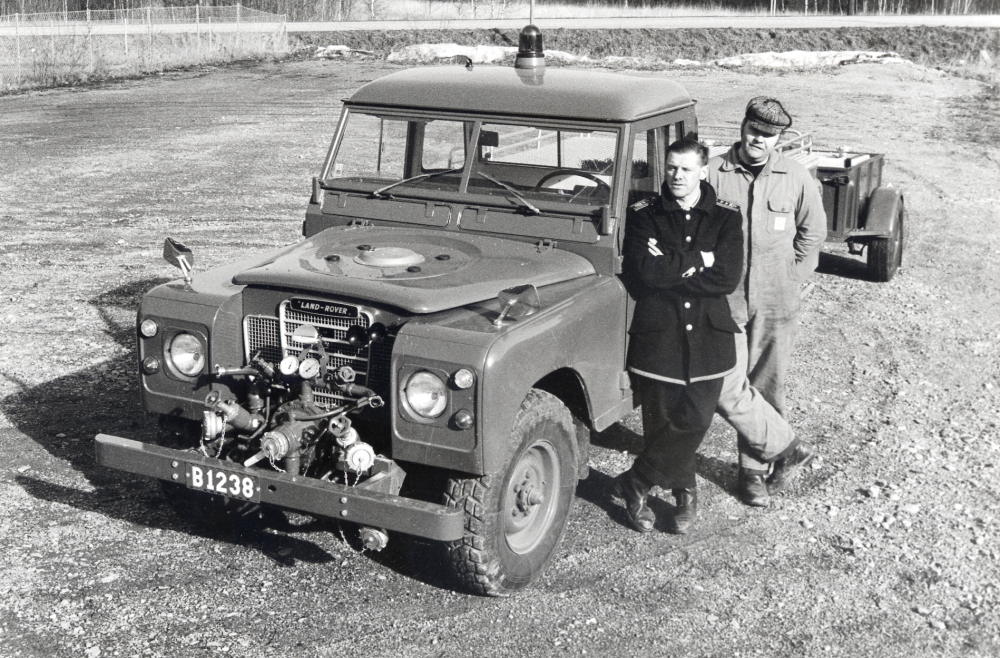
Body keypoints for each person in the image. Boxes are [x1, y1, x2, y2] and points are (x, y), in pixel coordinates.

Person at [614, 138, 743, 534]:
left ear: (704, 171)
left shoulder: (726, 217)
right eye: (671, 168)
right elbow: (643, 272)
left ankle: (634, 482)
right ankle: (685, 495)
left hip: (709, 335)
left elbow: (727, 276)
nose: (677, 177)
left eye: (686, 169)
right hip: (659, 335)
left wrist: (670, 265)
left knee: (696, 418)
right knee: (662, 422)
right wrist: (699, 260)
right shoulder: (644, 213)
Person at [707, 96, 827, 507]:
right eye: (755, 130)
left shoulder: (793, 176)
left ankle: (753, 474)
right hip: (725, 301)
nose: (759, 139)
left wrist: (792, 278)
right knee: (722, 384)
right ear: (742, 126)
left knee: (767, 387)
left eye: (769, 134)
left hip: (777, 301)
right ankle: (787, 446)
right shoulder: (713, 173)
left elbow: (812, 233)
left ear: (778, 138)